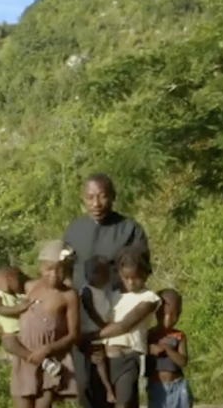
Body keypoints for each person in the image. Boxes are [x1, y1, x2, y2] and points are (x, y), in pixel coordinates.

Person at [63, 173, 152, 408]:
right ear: (83, 199)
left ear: (113, 197)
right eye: (90, 197)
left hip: (120, 321)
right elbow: (66, 274)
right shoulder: (74, 230)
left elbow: (140, 273)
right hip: (84, 322)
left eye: (102, 196)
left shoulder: (129, 229)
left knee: (122, 393)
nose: (96, 203)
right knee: (87, 388)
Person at [83, 247, 161, 408]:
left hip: (129, 356)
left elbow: (124, 326)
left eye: (137, 277)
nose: (131, 282)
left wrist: (89, 337)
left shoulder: (149, 299)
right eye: (126, 277)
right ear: (119, 273)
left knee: (124, 402)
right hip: (105, 359)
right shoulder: (112, 295)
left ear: (146, 274)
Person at [10, 240, 80, 408]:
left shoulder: (69, 296)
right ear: (40, 267)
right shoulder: (30, 287)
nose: (54, 275)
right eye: (49, 269)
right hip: (25, 357)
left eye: (61, 270)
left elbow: (73, 334)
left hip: (50, 360)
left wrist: (47, 350)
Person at [0, 266, 62, 377]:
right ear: (9, 280)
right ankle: (39, 361)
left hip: (23, 331)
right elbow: (0, 309)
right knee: (9, 344)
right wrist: (20, 308)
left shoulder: (16, 296)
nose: (20, 284)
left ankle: (43, 360)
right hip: (9, 333)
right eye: (18, 280)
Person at [79, 256, 116, 403]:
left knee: (103, 363)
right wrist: (103, 326)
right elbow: (91, 311)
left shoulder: (105, 293)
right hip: (92, 334)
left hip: (103, 335)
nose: (100, 276)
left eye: (103, 272)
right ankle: (109, 391)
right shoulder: (87, 291)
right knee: (99, 363)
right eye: (95, 272)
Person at [146, 289, 192, 408]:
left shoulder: (179, 336)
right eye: (163, 315)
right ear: (156, 314)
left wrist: (168, 350)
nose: (168, 318)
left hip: (178, 385)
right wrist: (150, 349)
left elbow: (183, 361)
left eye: (173, 314)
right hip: (158, 386)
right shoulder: (150, 335)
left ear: (179, 313)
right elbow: (141, 352)